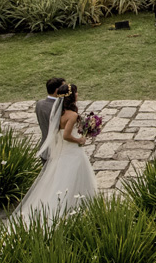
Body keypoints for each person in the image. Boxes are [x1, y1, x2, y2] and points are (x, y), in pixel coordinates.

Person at [12, 83, 98, 223]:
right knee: (74, 178)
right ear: (71, 96)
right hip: (71, 151)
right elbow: (66, 136)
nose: (77, 94)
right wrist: (79, 140)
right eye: (76, 93)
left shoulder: (57, 112)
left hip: (62, 151)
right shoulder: (72, 115)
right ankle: (74, 207)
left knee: (61, 179)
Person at [34, 76, 66, 164]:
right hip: (57, 149)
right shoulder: (59, 108)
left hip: (44, 147)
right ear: (57, 90)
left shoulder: (39, 104)